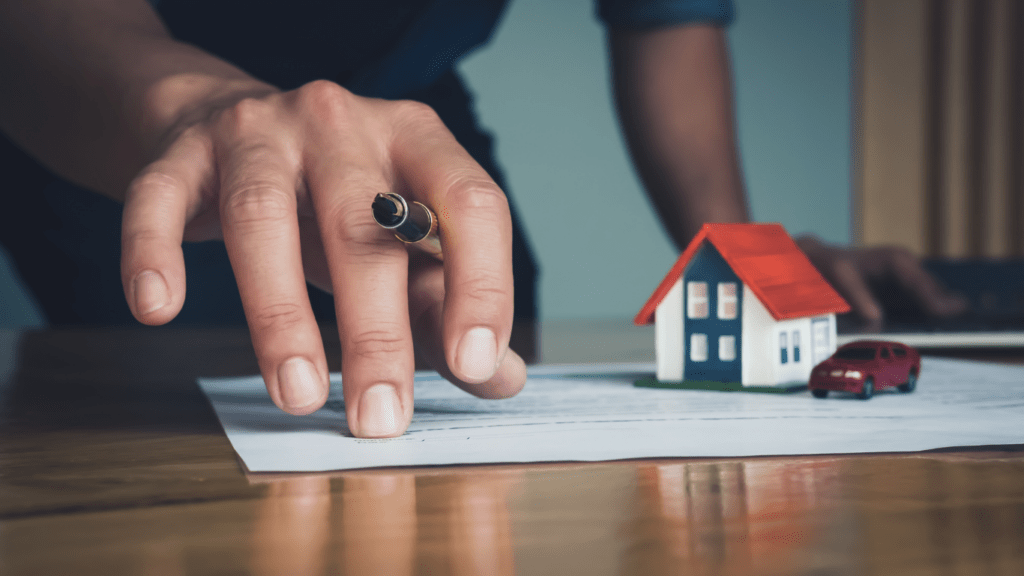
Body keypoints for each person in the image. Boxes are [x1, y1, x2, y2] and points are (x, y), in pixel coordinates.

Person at [0, 0, 964, 438]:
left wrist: (740, 253)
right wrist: (189, 109)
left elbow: (667, 18)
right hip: (133, 119)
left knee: (475, 340)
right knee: (158, 391)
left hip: (418, 129)